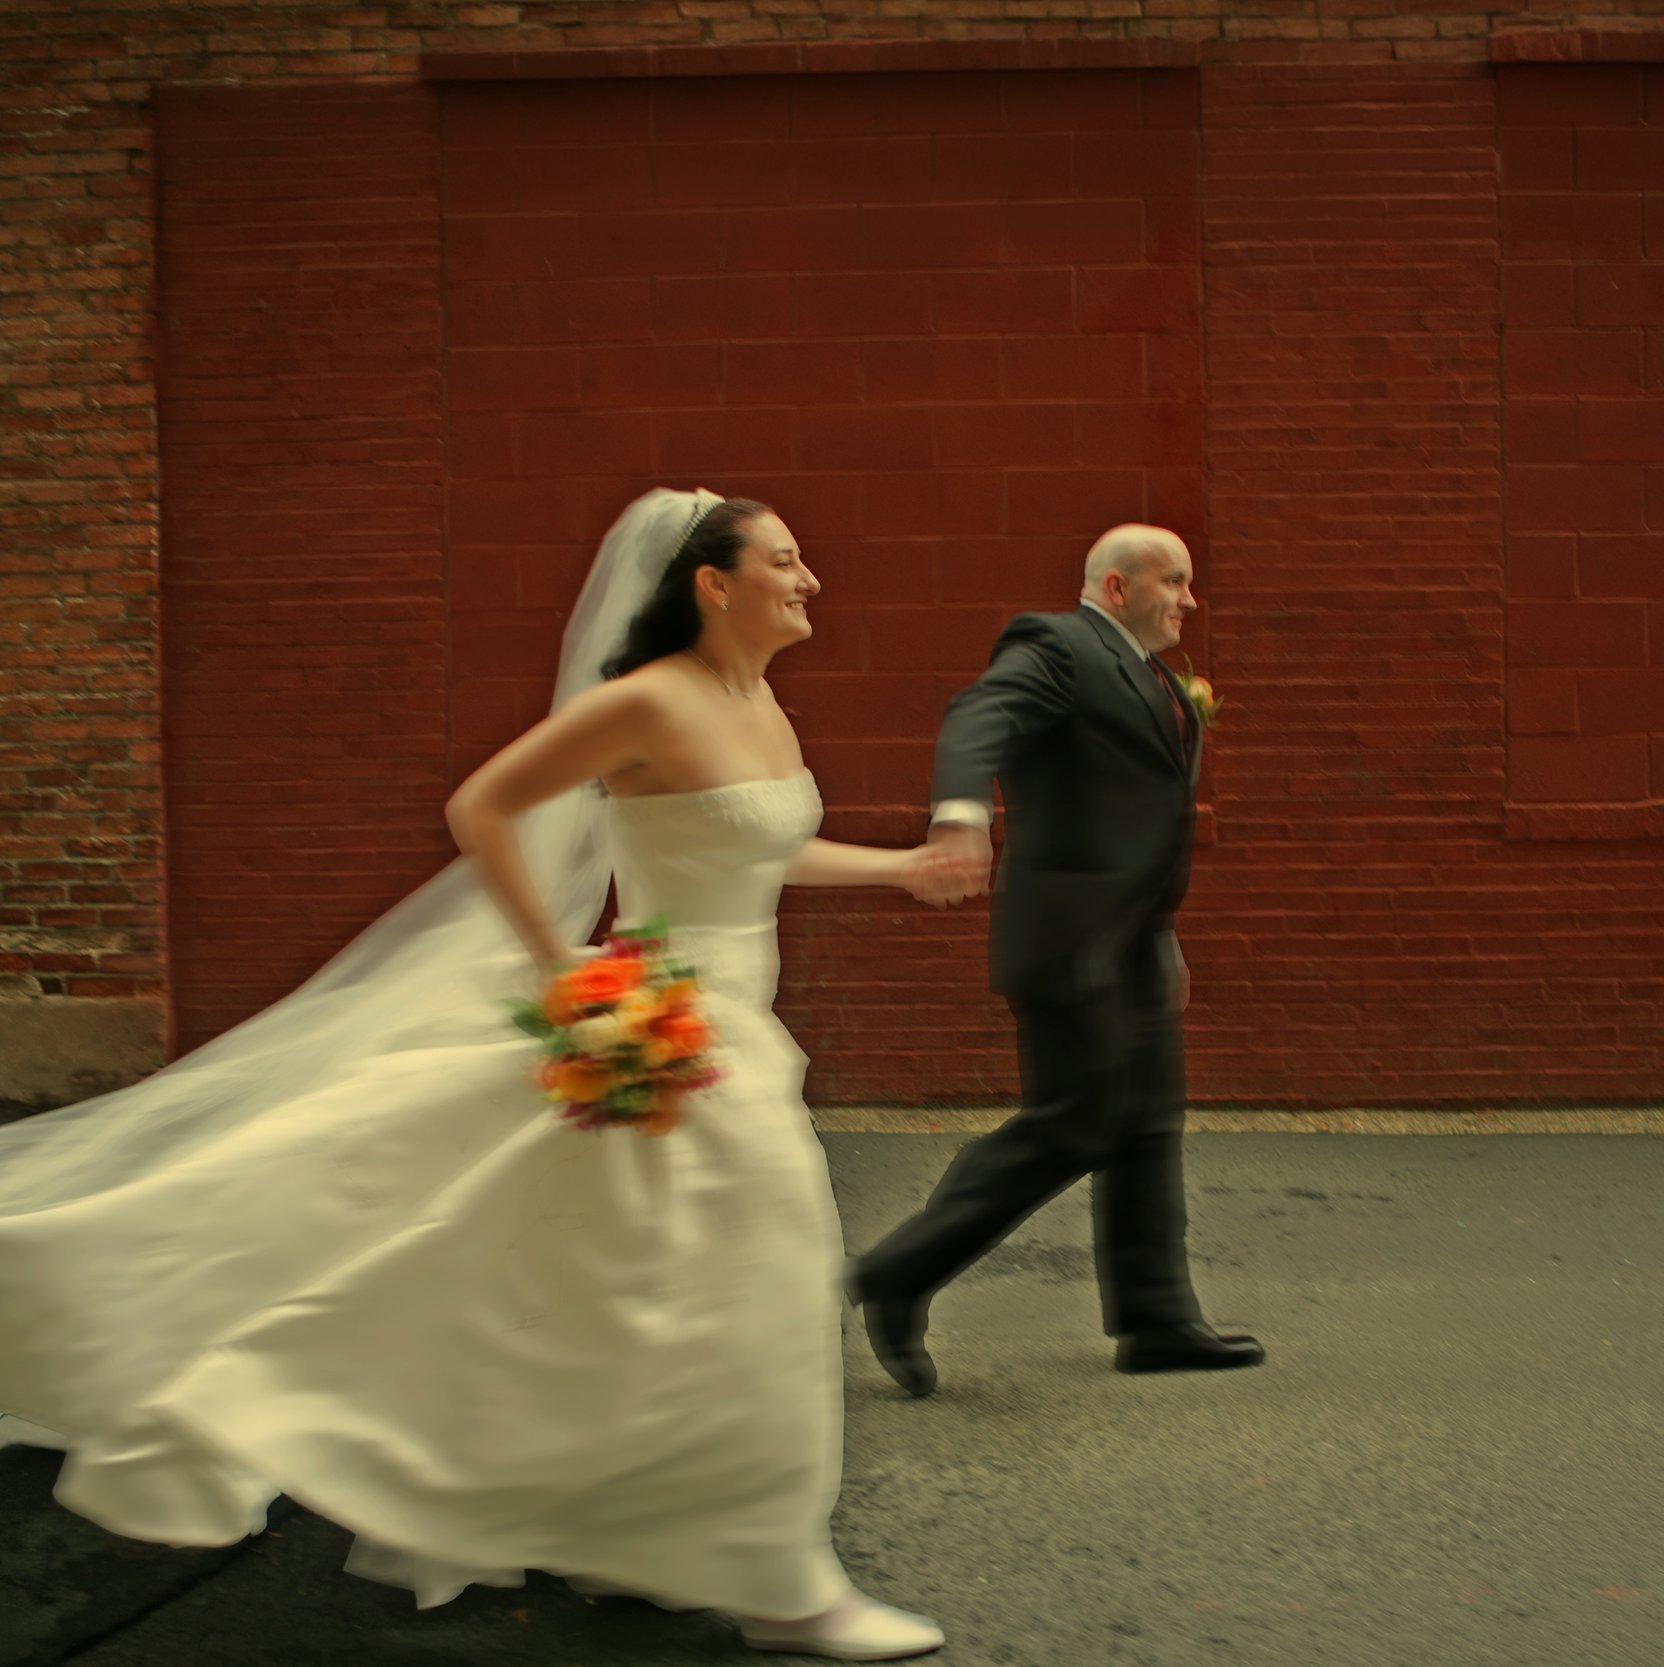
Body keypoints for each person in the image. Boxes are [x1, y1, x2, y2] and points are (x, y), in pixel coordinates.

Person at [0, 489, 969, 1661]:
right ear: (712, 583)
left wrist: (900, 868)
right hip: (668, 1027)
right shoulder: (645, 700)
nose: (810, 576)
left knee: (634, 1295)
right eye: (785, 558)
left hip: (731, 1025)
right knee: (759, 1280)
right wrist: (566, 970)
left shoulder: (752, 700)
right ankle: (783, 1586)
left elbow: (760, 844)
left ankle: (633, 1537)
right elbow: (485, 807)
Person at [846, 524, 1264, 1397]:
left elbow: (1139, 820)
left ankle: (1156, 1320)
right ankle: (898, 1274)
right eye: (1174, 582)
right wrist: (962, 813)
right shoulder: (1060, 644)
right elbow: (980, 713)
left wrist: (1165, 934)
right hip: (1068, 943)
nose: (1191, 599)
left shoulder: (1157, 679)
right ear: (1116, 587)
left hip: (1136, 943)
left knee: (1148, 1123)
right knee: (1075, 1121)